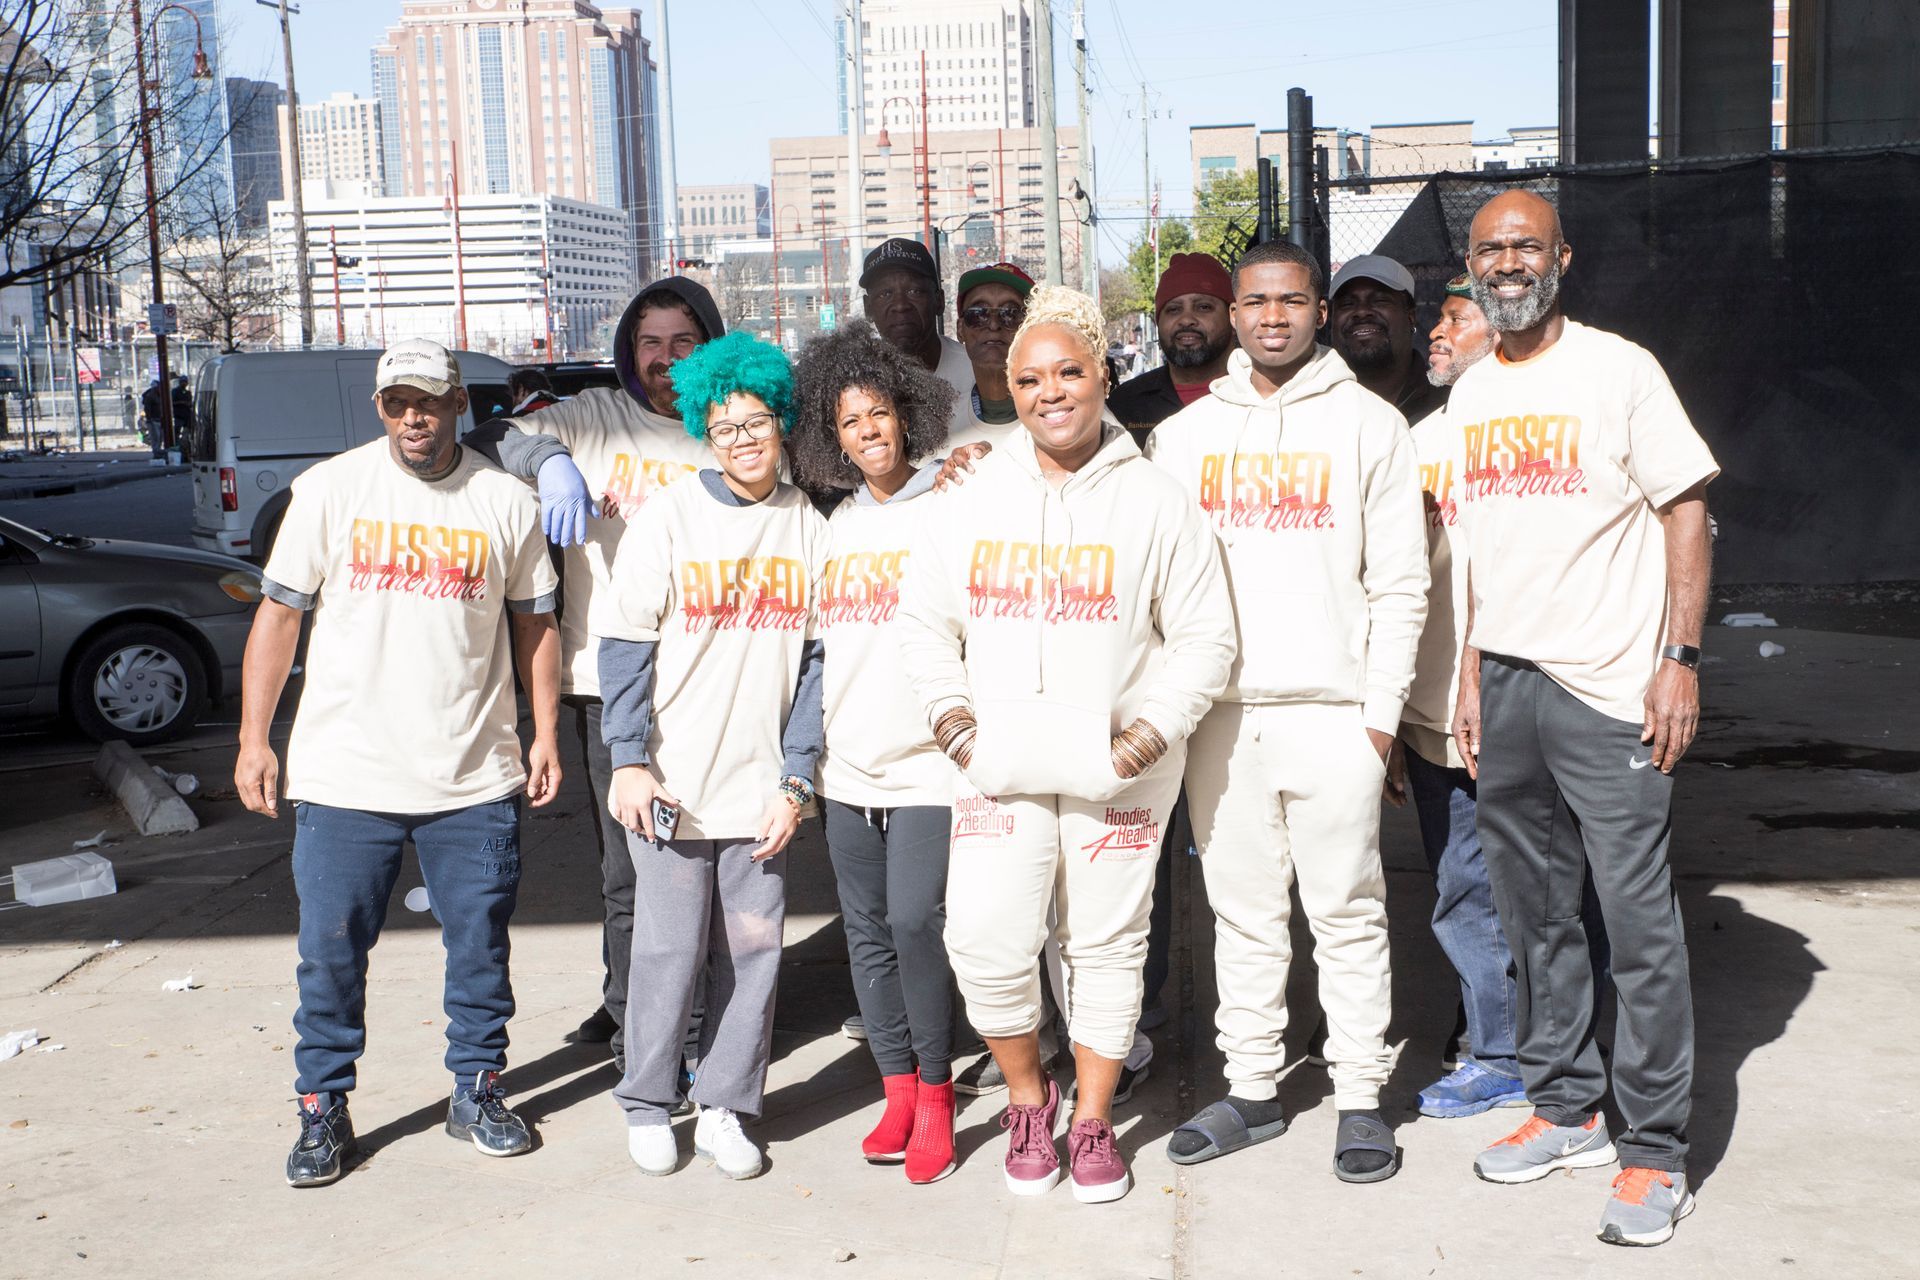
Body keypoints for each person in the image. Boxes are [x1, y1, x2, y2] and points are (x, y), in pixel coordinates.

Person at [897, 285, 1235, 1205]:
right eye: (1031, 376)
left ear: (1102, 376)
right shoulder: (964, 495)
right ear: (1008, 385)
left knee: (1107, 946)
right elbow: (923, 625)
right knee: (985, 940)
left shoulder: (1158, 500)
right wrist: (958, 731)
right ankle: (1026, 1101)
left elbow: (1205, 636)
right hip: (998, 768)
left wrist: (1143, 740)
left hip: (1116, 772)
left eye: (1070, 372)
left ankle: (1091, 1123)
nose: (1052, 392)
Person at [1450, 189, 1716, 1248]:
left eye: (1525, 245)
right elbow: (1477, 549)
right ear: (1467, 268)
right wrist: (1468, 674)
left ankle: (1653, 1151)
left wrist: (1678, 660)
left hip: (1612, 687)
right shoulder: (1470, 392)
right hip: (1507, 683)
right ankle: (1565, 1108)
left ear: (1563, 255)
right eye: (1488, 249)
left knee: (1638, 926)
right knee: (1533, 914)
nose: (1507, 263)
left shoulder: (1620, 369)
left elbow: (1685, 505)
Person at [234, 338, 562, 1189]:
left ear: (459, 403)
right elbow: (277, 619)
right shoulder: (330, 491)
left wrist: (547, 734)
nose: (413, 416)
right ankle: (322, 1106)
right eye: (396, 402)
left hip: (473, 773)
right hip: (346, 774)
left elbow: (536, 625)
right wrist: (254, 738)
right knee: (331, 950)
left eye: (429, 400)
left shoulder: (504, 501)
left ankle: (477, 1089)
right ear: (379, 409)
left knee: (480, 948)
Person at [1147, 239, 1428, 1184]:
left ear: (1317, 311)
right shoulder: (1182, 442)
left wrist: (1379, 721)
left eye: (1292, 301)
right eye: (1256, 301)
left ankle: (1359, 1096)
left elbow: (1401, 587)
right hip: (1221, 719)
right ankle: (1255, 1089)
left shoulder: (1370, 427)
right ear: (1232, 313)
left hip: (1333, 712)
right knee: (1243, 914)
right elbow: (1159, 592)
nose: (1274, 317)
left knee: (1347, 911)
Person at [466, 276, 723, 1063]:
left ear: (707, 345)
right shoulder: (591, 419)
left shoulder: (729, 424)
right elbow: (487, 436)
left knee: (700, 857)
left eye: (683, 342)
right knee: (623, 866)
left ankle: (695, 1015)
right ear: (628, 351)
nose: (664, 359)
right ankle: (628, 1008)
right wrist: (550, 463)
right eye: (650, 343)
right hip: (605, 676)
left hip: (712, 675)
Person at [592, 330, 827, 1183]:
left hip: (760, 786)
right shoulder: (669, 516)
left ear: (782, 423)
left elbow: (816, 662)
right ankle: (649, 1100)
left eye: (757, 422)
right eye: (724, 428)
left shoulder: (808, 523)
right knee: (664, 949)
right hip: (671, 782)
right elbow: (623, 642)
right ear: (704, 431)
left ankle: (726, 1101)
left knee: (754, 947)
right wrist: (626, 758)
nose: (742, 441)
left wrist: (797, 777)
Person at [789, 320, 961, 1184]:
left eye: (880, 415)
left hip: (933, 763)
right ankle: (895, 1088)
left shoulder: (954, 501)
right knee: (864, 933)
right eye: (850, 422)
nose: (869, 432)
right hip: (849, 765)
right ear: (833, 434)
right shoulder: (835, 526)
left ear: (908, 415)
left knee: (912, 923)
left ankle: (937, 1092)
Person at [1388, 275, 1528, 1117]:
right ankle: (1501, 1045)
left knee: (1538, 888)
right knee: (1463, 887)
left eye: (1456, 317)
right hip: (1437, 712)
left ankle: (1521, 1049)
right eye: (1436, 317)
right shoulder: (1418, 440)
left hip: (1525, 699)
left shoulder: (1528, 436)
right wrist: (1401, 712)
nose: (1438, 333)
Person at [1108, 253, 1236, 443]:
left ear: (1233, 317)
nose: (1186, 320)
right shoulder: (1123, 405)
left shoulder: (1263, 395)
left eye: (1203, 307)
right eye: (1173, 309)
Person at [1327, 254, 1446, 424]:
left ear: (1410, 316)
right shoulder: (1314, 404)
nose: (1362, 311)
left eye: (1380, 301)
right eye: (1347, 304)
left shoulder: (1449, 403)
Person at [860, 237, 972, 400]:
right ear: (867, 308)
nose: (900, 305)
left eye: (914, 291)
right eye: (885, 294)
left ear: (939, 301)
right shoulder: (857, 385)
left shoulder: (976, 371)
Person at [944, 260, 1035, 453]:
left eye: (1010, 314)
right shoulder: (940, 423)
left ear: (1030, 328)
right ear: (961, 330)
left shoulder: (1062, 414)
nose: (993, 325)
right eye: (978, 314)